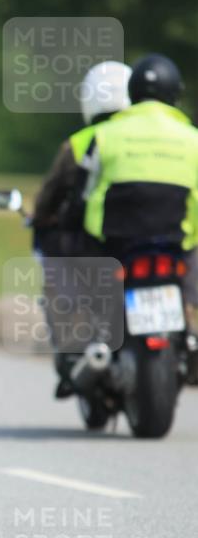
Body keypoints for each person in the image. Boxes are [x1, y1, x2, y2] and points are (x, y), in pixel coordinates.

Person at [81, 54, 198, 381]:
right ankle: (190, 324)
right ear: (176, 94)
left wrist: (92, 233)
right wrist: (189, 240)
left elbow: (88, 194)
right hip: (174, 244)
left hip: (118, 244)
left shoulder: (106, 135)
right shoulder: (193, 138)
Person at [29, 61, 131, 395]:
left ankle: (73, 345)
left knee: (58, 263)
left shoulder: (83, 142)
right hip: (167, 240)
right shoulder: (171, 138)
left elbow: (49, 198)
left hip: (100, 244)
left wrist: (41, 219)